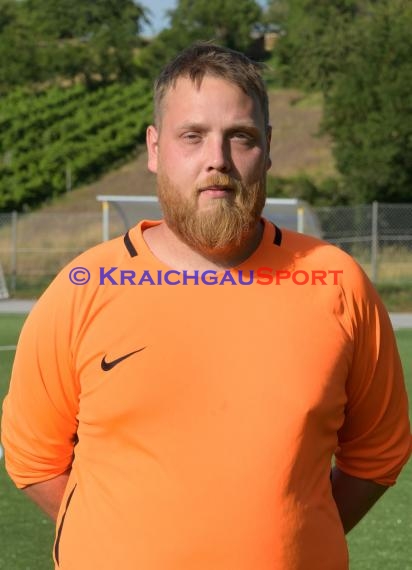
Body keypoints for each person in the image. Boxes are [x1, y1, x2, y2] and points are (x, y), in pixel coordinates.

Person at [1, 42, 411, 570]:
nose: (216, 158)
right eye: (191, 136)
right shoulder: (83, 286)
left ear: (267, 147)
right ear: (154, 149)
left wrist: (295, 527)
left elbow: (377, 454)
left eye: (239, 136)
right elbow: (33, 457)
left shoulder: (337, 283)